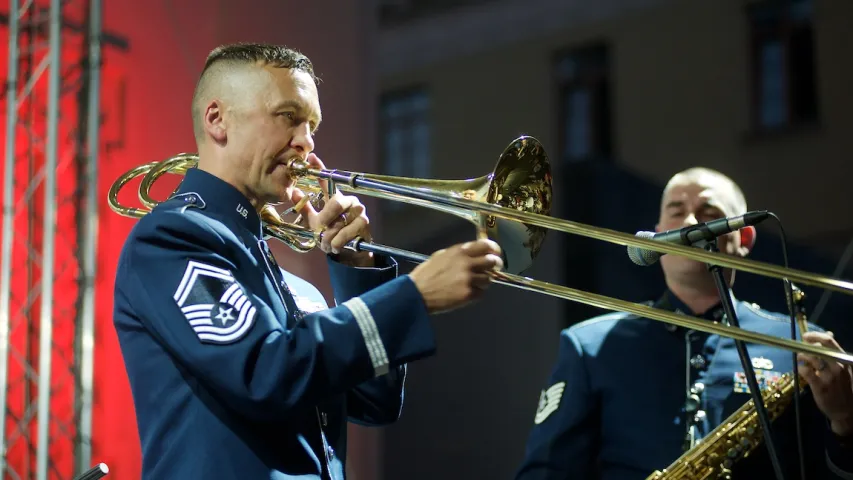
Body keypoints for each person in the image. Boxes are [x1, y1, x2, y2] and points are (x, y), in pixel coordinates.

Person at [112, 43, 504, 479]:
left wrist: (358, 269)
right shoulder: (172, 239)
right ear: (217, 120)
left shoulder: (296, 290)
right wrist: (413, 296)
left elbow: (376, 401)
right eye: (288, 117)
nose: (307, 142)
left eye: (311, 125)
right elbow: (263, 370)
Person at [514, 167, 853, 479]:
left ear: (744, 239)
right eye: (677, 212)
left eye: (710, 214)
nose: (691, 222)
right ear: (657, 236)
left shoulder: (799, 341)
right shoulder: (589, 346)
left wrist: (846, 421)